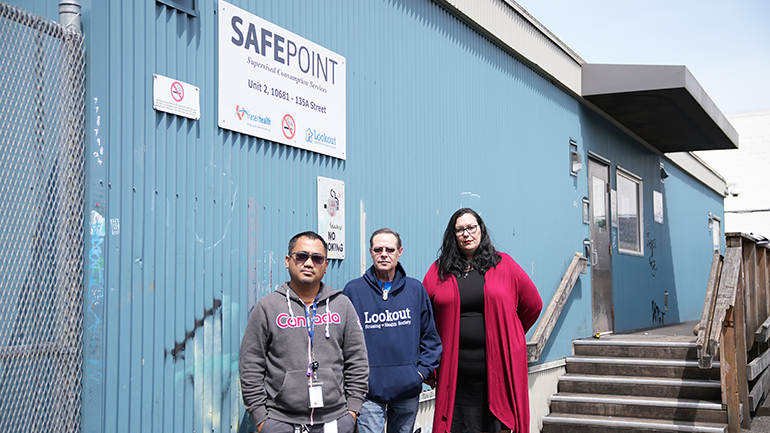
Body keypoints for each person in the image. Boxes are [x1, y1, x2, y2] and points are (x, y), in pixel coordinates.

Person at [422, 209, 542, 433]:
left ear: (481, 230)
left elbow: (533, 305)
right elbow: (422, 315)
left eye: (471, 228)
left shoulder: (504, 264)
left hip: (498, 373)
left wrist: (510, 333)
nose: (466, 234)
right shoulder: (440, 271)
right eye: (460, 229)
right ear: (453, 235)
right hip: (455, 375)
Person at [240, 231, 369, 433]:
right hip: (281, 421)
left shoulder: (342, 305)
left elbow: (358, 359)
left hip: (334, 420)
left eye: (317, 258)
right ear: (287, 260)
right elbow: (251, 364)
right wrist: (261, 419)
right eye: (301, 256)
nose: (309, 263)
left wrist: (352, 411)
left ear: (325, 266)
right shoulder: (268, 307)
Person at [343, 228, 442, 433]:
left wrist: (420, 374)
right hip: (368, 392)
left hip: (407, 389)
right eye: (378, 249)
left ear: (400, 252)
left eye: (390, 249)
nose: (384, 254)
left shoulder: (415, 290)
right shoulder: (353, 291)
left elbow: (430, 338)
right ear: (370, 252)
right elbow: (342, 341)